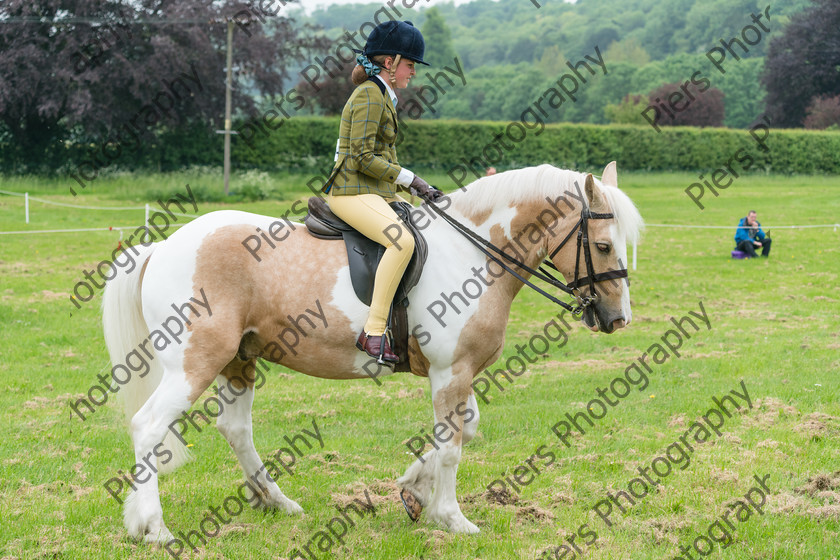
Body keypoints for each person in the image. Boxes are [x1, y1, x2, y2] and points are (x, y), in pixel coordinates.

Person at [322, 20, 442, 363]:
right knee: (400, 241)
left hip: (372, 189)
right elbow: (361, 158)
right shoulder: (370, 97)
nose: (413, 73)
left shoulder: (382, 96)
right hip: (349, 191)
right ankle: (373, 331)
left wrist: (415, 191)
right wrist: (411, 179)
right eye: (410, 65)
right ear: (389, 62)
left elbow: (384, 155)